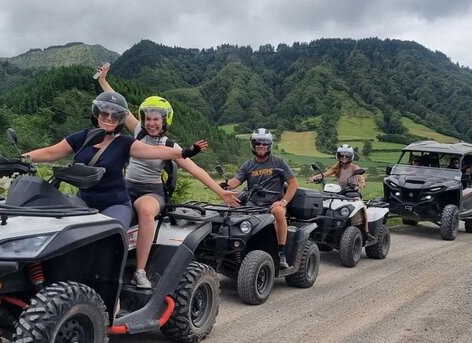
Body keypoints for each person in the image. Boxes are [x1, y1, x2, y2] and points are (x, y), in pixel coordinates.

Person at [97, 65, 239, 288]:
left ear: (165, 121)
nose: (152, 123)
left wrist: (221, 192)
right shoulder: (137, 132)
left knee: (144, 211)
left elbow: (196, 169)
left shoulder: (170, 146)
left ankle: (140, 271)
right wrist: (103, 80)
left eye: (157, 119)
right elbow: (117, 102)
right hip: (125, 187)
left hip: (150, 192)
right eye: (148, 118)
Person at [21, 91, 205, 234]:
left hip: (115, 203)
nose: (109, 118)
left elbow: (154, 151)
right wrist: (22, 158)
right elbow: (51, 152)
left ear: (120, 119)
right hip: (84, 200)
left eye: (114, 115)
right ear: (97, 114)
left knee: (107, 234)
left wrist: (184, 152)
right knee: (57, 227)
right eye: (105, 113)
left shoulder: (125, 143)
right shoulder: (81, 137)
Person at [221, 128, 298, 269]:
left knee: (279, 212)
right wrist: (221, 186)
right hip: (253, 204)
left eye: (265, 143)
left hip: (273, 204)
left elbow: (293, 183)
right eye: (258, 143)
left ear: (269, 145)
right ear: (253, 144)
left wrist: (283, 201)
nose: (261, 146)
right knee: (226, 207)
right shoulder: (248, 165)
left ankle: (281, 252)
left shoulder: (279, 163)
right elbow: (235, 182)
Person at [307, 144, 374, 241]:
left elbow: (361, 176)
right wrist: (315, 177)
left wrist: (362, 183)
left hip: (352, 194)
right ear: (338, 156)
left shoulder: (354, 168)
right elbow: (325, 174)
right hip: (339, 193)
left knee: (362, 208)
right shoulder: (337, 168)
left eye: (347, 156)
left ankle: (366, 232)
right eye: (342, 155)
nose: (344, 158)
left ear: (351, 156)